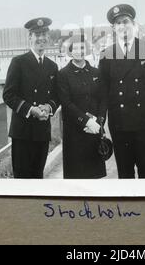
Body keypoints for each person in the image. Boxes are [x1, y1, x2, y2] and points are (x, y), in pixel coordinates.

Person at [99, 4, 145, 179]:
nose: (122, 26)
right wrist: (101, 119)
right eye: (118, 23)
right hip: (119, 123)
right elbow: (103, 89)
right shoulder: (106, 54)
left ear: (133, 24)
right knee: (124, 172)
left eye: (125, 21)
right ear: (113, 28)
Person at [3, 18, 59, 179]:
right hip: (23, 133)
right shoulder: (18, 62)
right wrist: (30, 109)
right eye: (37, 34)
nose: (41, 38)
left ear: (48, 37)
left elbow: (56, 96)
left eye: (44, 34)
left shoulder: (52, 66)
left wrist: (49, 107)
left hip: (42, 131)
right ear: (30, 37)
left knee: (38, 178)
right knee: (22, 180)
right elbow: (8, 94)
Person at [57, 35, 107, 179]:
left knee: (95, 176)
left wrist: (99, 121)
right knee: (77, 178)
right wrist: (86, 121)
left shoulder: (96, 73)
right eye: (76, 48)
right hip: (75, 133)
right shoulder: (63, 75)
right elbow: (66, 103)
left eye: (82, 47)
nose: (79, 51)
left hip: (95, 130)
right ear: (70, 51)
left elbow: (103, 99)